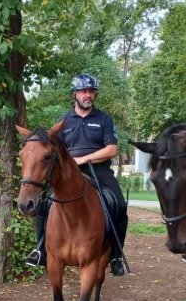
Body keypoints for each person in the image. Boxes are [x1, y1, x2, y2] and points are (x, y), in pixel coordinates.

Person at [25, 74, 128, 277]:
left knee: (120, 205)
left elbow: (111, 150)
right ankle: (40, 250)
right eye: (83, 91)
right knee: (43, 203)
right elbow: (54, 150)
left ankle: (116, 255)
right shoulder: (64, 121)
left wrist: (82, 159)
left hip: (98, 169)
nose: (87, 95)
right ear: (75, 95)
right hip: (68, 173)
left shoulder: (104, 119)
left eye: (91, 91)